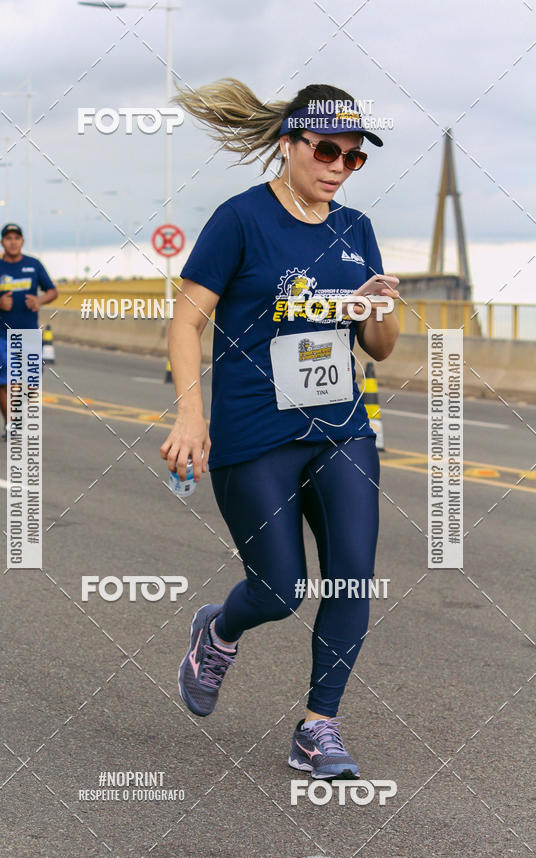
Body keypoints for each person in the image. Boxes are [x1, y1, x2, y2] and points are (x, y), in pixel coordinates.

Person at [161, 79, 400, 779]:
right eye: (327, 150)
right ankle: (219, 629)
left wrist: (376, 307)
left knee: (352, 579)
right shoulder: (240, 220)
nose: (338, 166)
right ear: (290, 144)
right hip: (254, 430)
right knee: (280, 589)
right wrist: (189, 411)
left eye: (353, 158)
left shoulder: (356, 230)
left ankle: (318, 728)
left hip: (341, 428)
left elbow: (380, 348)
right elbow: (185, 321)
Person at [0, 224, 57, 438]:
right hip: (1, 333)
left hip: (29, 332)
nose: (13, 241)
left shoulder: (34, 265)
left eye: (17, 238)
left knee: (30, 383)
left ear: (22, 241)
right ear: (2, 242)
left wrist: (39, 300)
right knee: (5, 381)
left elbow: (52, 291)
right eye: (8, 238)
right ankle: (9, 424)